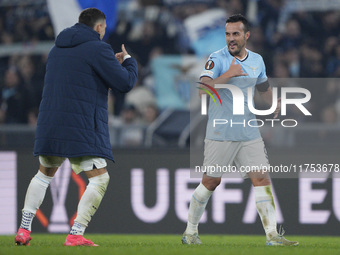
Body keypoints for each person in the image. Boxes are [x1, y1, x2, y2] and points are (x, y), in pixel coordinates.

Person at [14, 8, 138, 246]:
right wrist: (129, 62)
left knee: (44, 175)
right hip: (80, 125)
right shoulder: (99, 48)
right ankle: (76, 233)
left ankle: (23, 229)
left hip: (50, 123)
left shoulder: (56, 49)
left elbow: (79, 77)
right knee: (99, 180)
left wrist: (106, 66)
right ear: (99, 28)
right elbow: (124, 83)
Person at [182, 14, 298, 246]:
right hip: (221, 132)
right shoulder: (217, 59)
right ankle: (190, 232)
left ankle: (272, 236)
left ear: (247, 35)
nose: (231, 39)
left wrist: (272, 101)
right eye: (227, 34)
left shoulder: (257, 60)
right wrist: (229, 75)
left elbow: (263, 85)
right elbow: (202, 90)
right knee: (211, 182)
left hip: (248, 130)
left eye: (235, 34)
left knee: (261, 178)